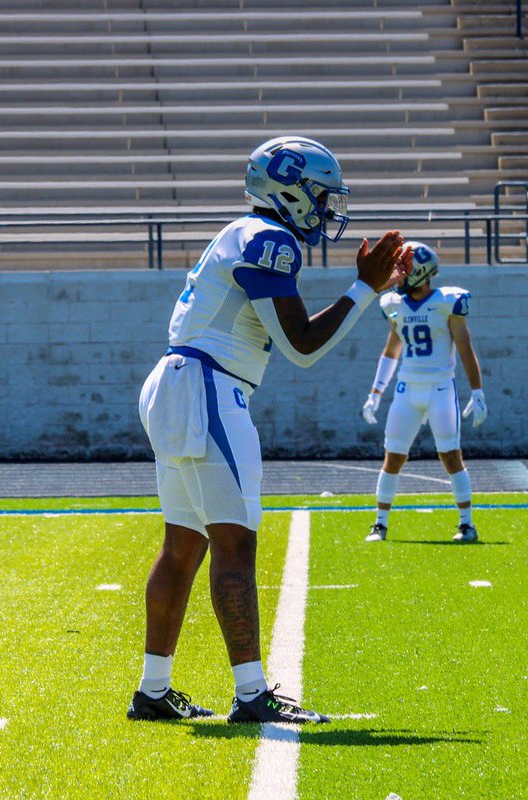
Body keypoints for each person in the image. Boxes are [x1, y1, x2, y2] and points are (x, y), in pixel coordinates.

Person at [128, 136, 412, 724]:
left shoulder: (243, 232)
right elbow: (301, 346)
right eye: (321, 195)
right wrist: (363, 289)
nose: (327, 208)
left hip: (181, 381)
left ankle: (153, 692)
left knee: (183, 544)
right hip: (208, 386)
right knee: (234, 544)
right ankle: (252, 695)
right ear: (292, 189)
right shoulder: (270, 240)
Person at [359, 242, 487, 544]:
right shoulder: (393, 304)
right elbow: (392, 350)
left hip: (441, 388)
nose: (398, 276)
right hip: (407, 389)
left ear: (419, 273)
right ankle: (380, 524)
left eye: (404, 271)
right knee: (393, 456)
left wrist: (477, 391)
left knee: (450, 455)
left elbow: (466, 349)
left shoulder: (446, 302)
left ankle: (467, 524)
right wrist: (376, 393)